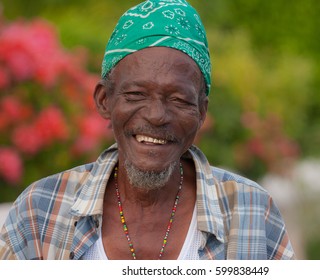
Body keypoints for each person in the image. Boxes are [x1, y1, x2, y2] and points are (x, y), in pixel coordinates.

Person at [0, 0, 295, 260]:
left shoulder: (252, 212)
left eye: (179, 99)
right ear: (104, 100)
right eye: (136, 95)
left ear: (202, 111)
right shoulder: (40, 212)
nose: (156, 116)